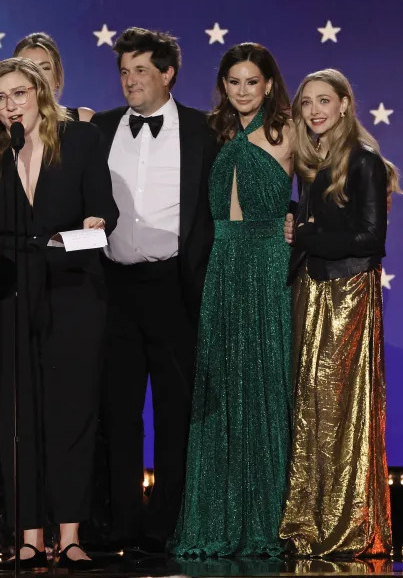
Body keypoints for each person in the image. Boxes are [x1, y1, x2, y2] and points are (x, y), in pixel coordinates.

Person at [0, 57, 117, 568]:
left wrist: (91, 222)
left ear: (41, 94)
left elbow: (104, 213)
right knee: (17, 417)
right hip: (7, 292)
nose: (10, 107)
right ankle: (29, 535)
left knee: (71, 414)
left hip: (71, 290)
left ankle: (69, 534)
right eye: (0, 99)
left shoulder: (83, 140)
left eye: (18, 95)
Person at [89, 28, 219, 553]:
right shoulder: (96, 129)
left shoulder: (206, 131)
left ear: (168, 74)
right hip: (112, 285)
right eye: (124, 70)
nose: (129, 80)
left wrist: (291, 216)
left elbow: (244, 190)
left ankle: (164, 525)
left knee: (174, 410)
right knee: (117, 411)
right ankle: (120, 524)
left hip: (174, 285)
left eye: (141, 70)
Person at [171, 43, 293, 556]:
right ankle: (217, 519)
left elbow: (330, 178)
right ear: (223, 85)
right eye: (233, 82)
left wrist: (298, 222)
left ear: (268, 85)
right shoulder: (214, 131)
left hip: (267, 266)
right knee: (223, 390)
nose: (242, 91)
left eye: (251, 82)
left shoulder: (288, 130)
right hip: (222, 268)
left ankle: (270, 519)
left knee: (266, 386)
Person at [279, 68, 399, 557]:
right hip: (312, 292)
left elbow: (373, 240)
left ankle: (347, 525)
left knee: (340, 409)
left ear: (346, 104)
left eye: (324, 100)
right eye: (306, 102)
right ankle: (307, 522)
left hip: (348, 293)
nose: (314, 111)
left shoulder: (363, 160)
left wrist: (305, 234)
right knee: (309, 409)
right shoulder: (312, 163)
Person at [13, 32, 94, 122]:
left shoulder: (84, 120)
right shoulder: (2, 126)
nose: (37, 76)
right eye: (27, 68)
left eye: (45, 68)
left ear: (57, 77)